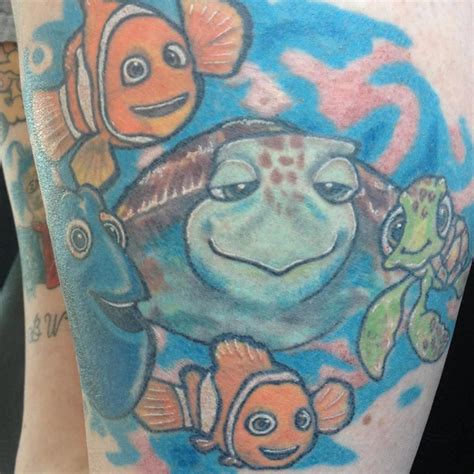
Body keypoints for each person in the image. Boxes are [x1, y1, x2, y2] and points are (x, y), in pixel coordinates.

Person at [1, 0, 472, 472]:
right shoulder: (138, 236)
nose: (285, 221)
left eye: (334, 188)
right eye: (235, 188)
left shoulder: (388, 238)